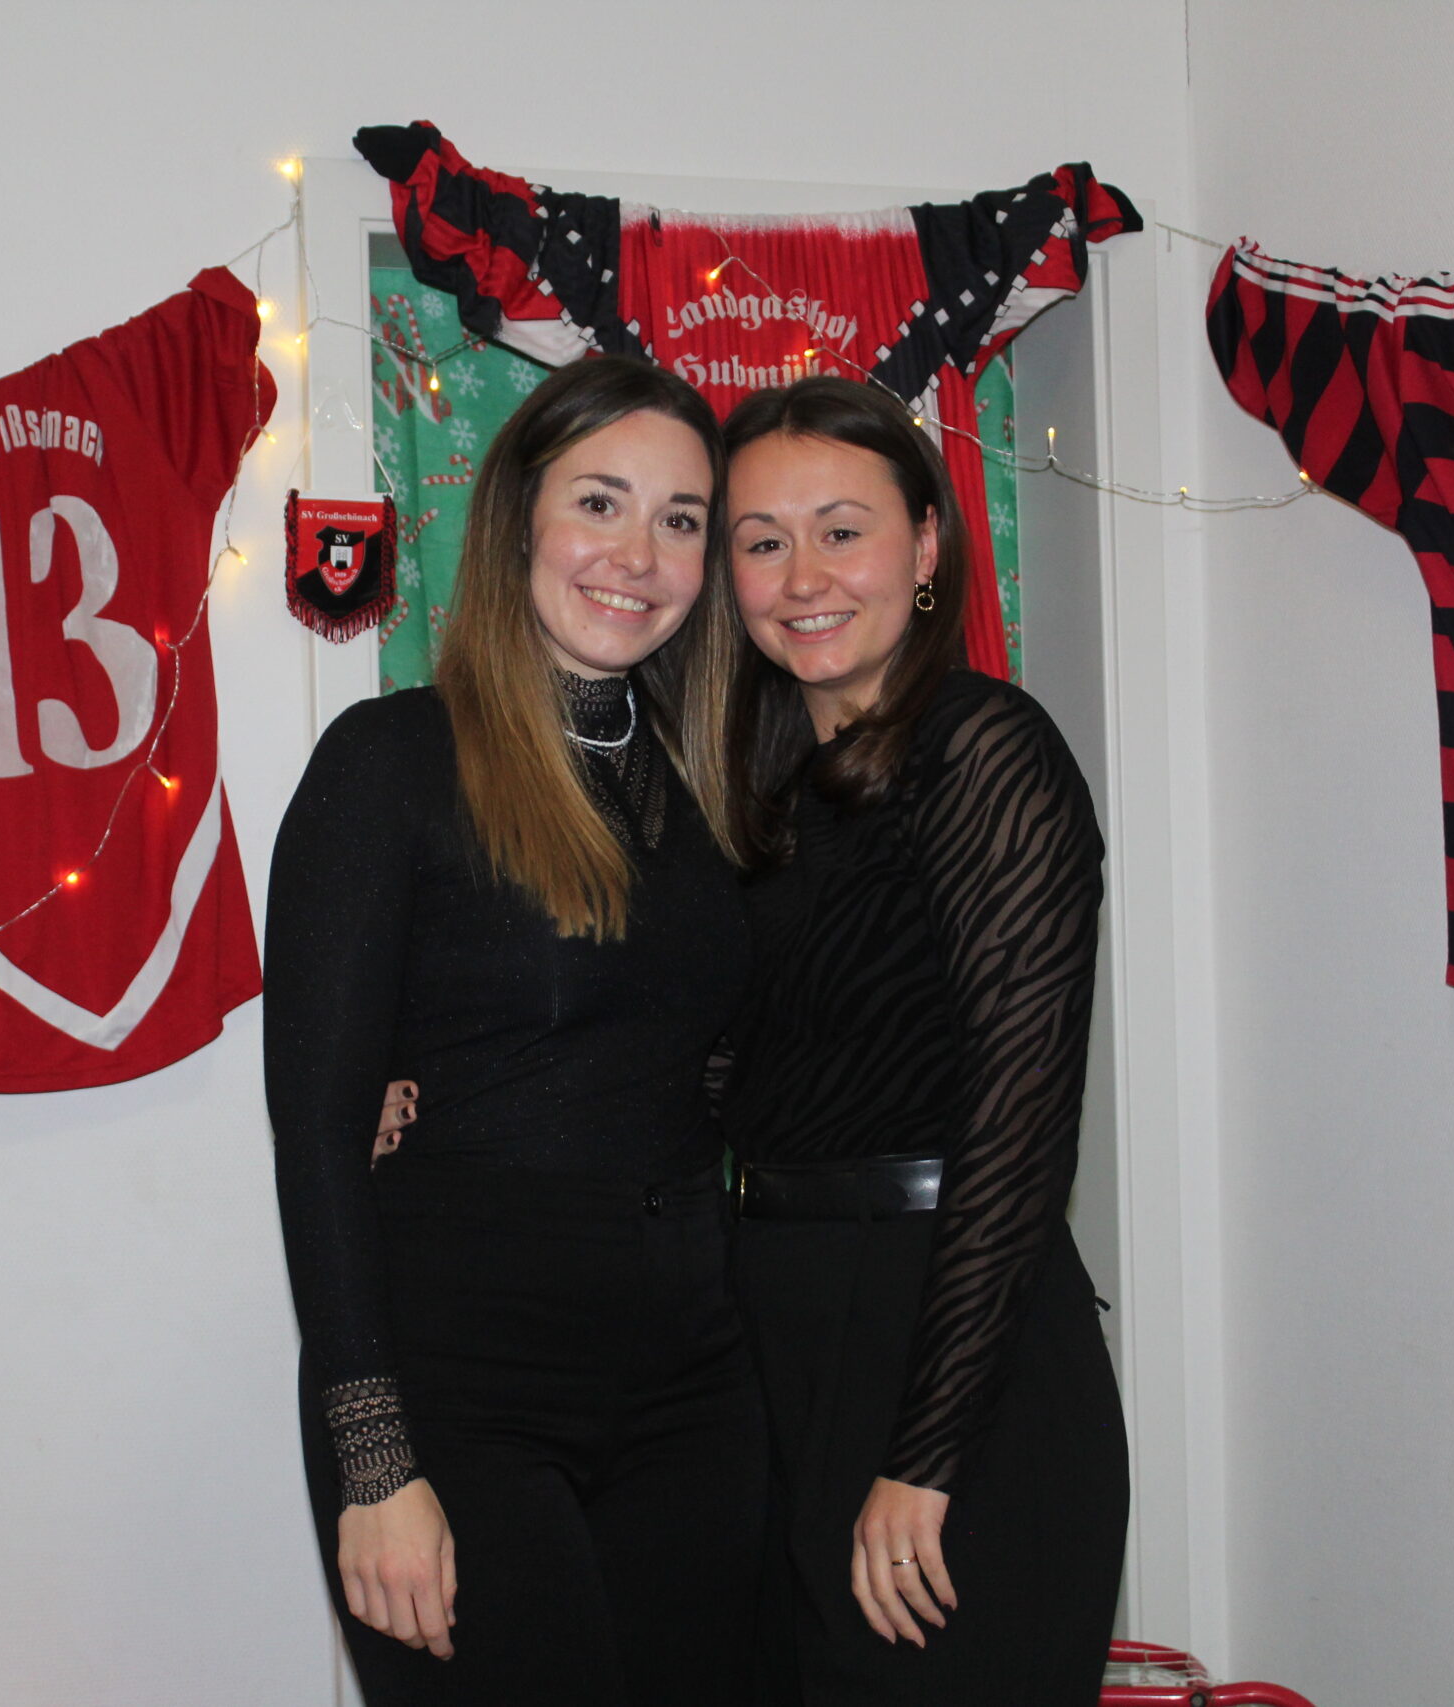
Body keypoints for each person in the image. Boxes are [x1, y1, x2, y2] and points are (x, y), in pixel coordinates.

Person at [263, 355, 763, 1705]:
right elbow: (316, 1135)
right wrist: (377, 1464)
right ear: (516, 521)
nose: (638, 555)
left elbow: (709, 1068)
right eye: (600, 502)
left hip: (693, 1386)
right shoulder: (391, 762)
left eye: (679, 519)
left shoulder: (708, 788)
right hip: (457, 1385)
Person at [716, 374, 1128, 1703]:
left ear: (927, 545)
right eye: (762, 541)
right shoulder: (751, 790)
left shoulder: (982, 750)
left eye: (843, 531)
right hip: (772, 1335)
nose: (803, 578)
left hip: (951, 1348)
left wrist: (926, 1454)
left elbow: (1022, 1122)